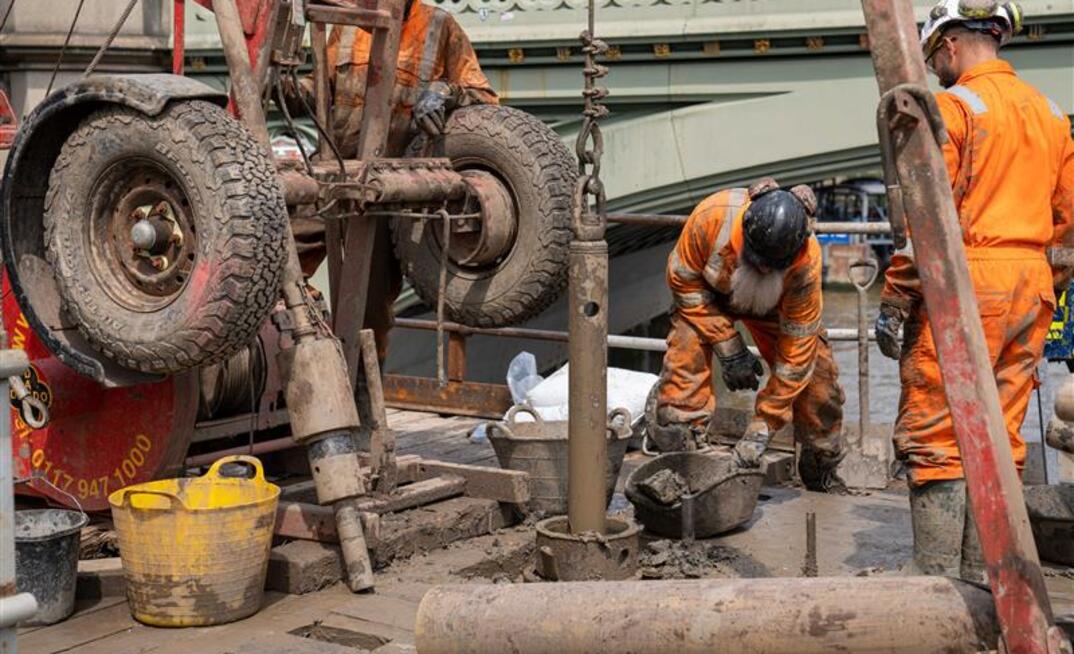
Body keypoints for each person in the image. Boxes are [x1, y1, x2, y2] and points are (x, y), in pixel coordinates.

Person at [875, 0, 1074, 582]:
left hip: (967, 280)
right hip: (1030, 284)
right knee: (1000, 428)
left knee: (936, 427)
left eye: (935, 53)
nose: (936, 65)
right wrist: (1046, 282)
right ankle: (983, 572)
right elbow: (1067, 220)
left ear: (952, 44)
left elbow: (926, 216)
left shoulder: (954, 108)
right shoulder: (1049, 112)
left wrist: (895, 298)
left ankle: (936, 577)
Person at [285, 0, 498, 359]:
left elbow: (485, 99)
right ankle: (307, 345)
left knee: (369, 311)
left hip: (389, 192)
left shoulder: (439, 27)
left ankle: (364, 394)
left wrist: (447, 93)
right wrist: (289, 89)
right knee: (277, 256)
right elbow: (320, 88)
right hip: (332, 175)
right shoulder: (346, 22)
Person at [652, 178, 848, 493]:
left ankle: (819, 466)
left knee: (819, 382)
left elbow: (796, 358)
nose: (764, 272)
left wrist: (761, 429)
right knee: (686, 348)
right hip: (710, 299)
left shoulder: (805, 264)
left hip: (775, 310)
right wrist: (729, 347)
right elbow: (682, 282)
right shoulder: (712, 216)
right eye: (758, 264)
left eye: (771, 267)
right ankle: (682, 448)